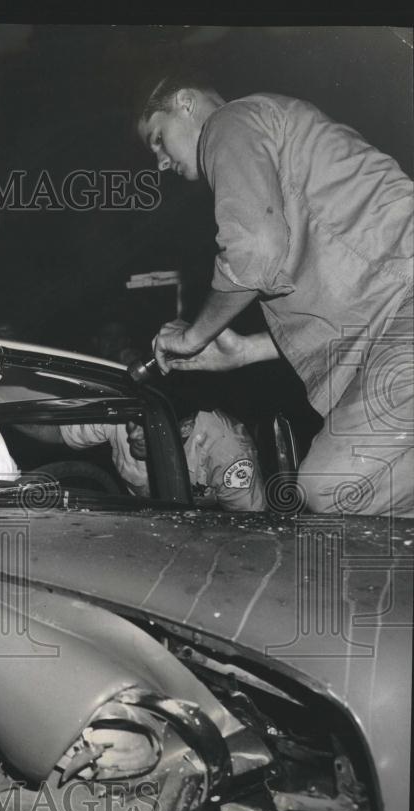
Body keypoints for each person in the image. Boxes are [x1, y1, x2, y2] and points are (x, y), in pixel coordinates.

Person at [138, 69, 414, 516]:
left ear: (186, 103)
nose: (160, 162)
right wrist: (245, 351)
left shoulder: (228, 124)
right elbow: (350, 308)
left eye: (157, 139)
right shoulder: (269, 138)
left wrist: (194, 336)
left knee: (332, 486)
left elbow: (255, 251)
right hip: (395, 314)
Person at [60, 410, 265, 511]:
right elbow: (59, 432)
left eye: (147, 425)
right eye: (134, 420)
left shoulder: (228, 453)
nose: (133, 434)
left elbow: (247, 528)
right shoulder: (124, 414)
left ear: (185, 428)